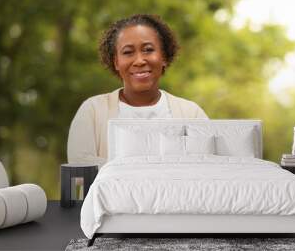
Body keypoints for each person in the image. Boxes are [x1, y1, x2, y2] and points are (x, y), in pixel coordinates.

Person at [67, 14, 208, 166]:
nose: (139, 60)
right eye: (128, 52)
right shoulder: (93, 110)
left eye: (148, 50)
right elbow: (80, 166)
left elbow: (207, 166)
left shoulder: (191, 113)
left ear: (164, 57)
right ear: (116, 62)